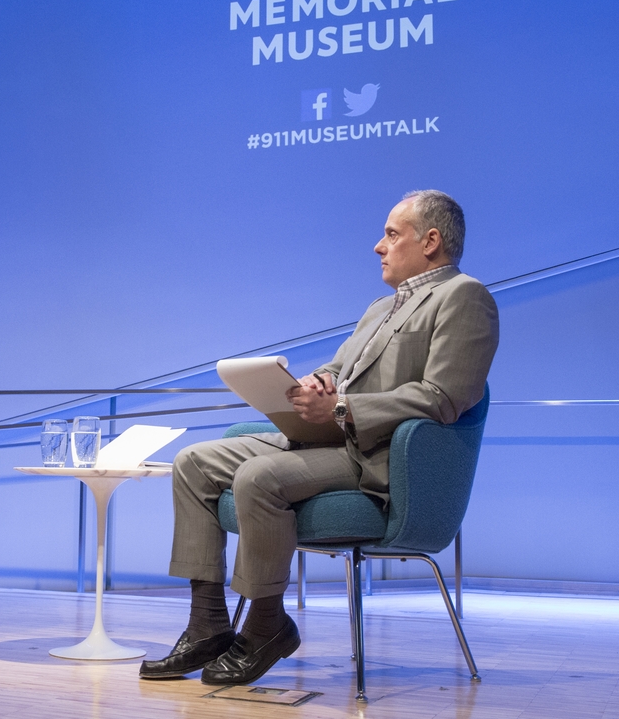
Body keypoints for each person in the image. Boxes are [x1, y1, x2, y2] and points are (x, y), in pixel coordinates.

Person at [139, 190, 499, 686]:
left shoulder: (465, 296)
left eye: (391, 234)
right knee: (192, 462)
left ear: (431, 241)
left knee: (258, 477)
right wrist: (317, 383)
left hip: (377, 456)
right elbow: (339, 366)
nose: (378, 246)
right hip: (329, 438)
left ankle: (266, 625)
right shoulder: (381, 306)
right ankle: (207, 625)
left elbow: (444, 397)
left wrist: (343, 408)